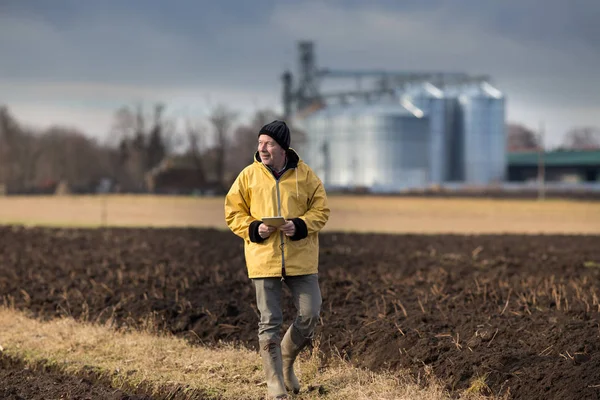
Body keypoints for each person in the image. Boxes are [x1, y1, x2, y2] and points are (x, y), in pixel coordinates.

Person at [224, 120, 330, 399]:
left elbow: (321, 210)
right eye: (260, 143)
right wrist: (253, 228)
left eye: (268, 143)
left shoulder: (305, 175)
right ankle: (274, 383)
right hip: (264, 257)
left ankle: (286, 361)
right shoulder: (248, 176)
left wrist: (301, 225)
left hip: (301, 257)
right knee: (269, 320)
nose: (262, 148)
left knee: (310, 313)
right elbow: (233, 213)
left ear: (283, 147)